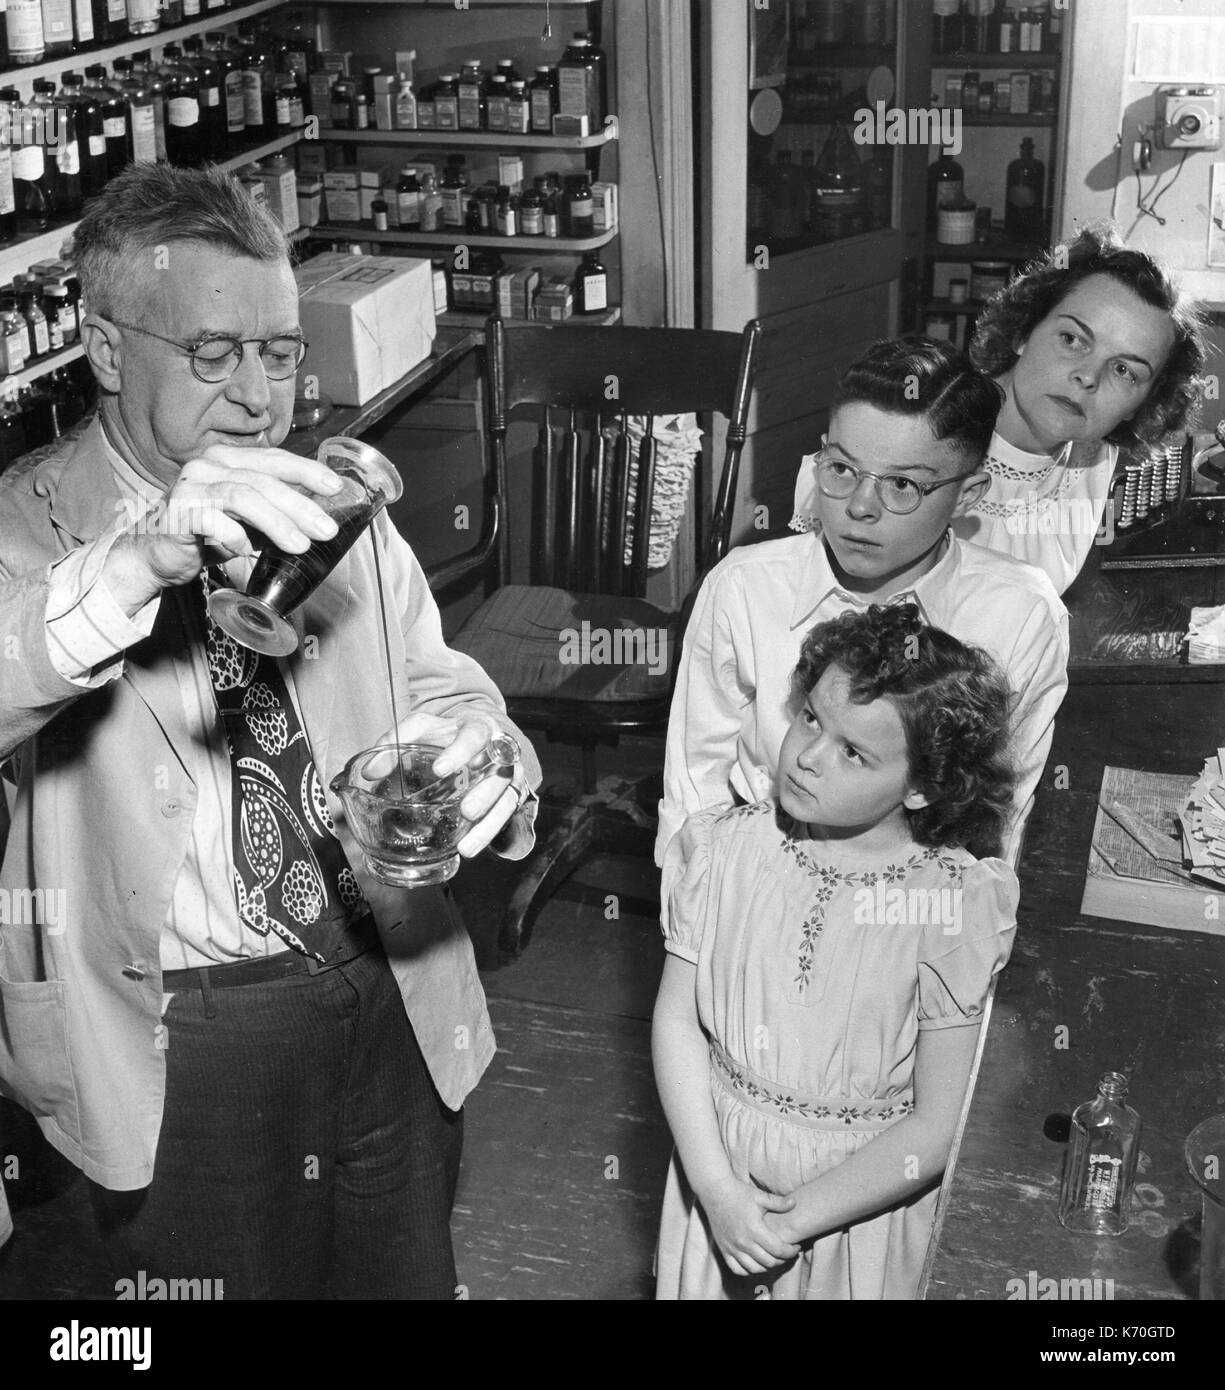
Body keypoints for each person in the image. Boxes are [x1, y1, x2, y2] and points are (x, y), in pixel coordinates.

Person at [0, 164, 541, 1299]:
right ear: (104, 349)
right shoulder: (24, 526)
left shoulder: (328, 505)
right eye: (213, 353)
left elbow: (447, 689)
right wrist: (139, 558)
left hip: (383, 974)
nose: (258, 398)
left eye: (282, 352)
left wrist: (486, 757)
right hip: (182, 1039)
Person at [652, 604, 1019, 1300]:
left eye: (854, 752)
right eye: (812, 719)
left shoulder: (951, 903)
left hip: (856, 1210)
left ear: (921, 784)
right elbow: (676, 1024)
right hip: (718, 1176)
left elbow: (938, 1125)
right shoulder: (723, 850)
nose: (809, 756)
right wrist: (719, 1193)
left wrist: (787, 1224)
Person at [658, 336, 1067, 869]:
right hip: (755, 882)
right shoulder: (743, 586)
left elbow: (997, 826)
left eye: (902, 484)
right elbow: (694, 789)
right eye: (843, 469)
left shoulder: (1021, 616)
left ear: (967, 495)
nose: (859, 508)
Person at [793, 225, 1209, 595]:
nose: (1088, 377)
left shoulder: (1093, 459)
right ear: (1024, 332)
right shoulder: (921, 428)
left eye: (1124, 370)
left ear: (1142, 404)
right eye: (1072, 339)